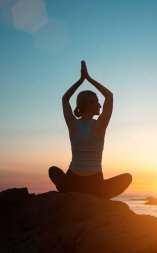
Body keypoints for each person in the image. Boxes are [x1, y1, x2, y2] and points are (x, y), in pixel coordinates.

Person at [48, 61, 132, 199]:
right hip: (95, 184)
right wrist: (88, 78)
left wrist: (81, 80)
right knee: (127, 178)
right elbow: (109, 96)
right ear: (86, 105)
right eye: (94, 101)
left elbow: (65, 99)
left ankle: (68, 191)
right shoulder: (100, 125)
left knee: (53, 170)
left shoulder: (72, 124)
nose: (99, 104)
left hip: (72, 182)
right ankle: (99, 195)